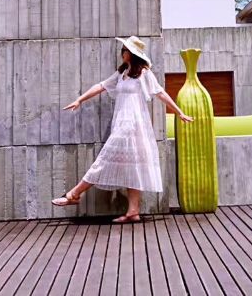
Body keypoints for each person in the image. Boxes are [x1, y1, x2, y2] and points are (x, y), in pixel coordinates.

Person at [51, 36, 193, 223]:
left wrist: (179, 112)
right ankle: (133, 212)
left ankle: (74, 194)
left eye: (125, 50)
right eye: (123, 49)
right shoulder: (122, 73)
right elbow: (101, 86)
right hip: (122, 125)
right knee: (133, 167)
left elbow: (160, 93)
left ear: (132, 54)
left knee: (104, 160)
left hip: (133, 126)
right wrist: (80, 99)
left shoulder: (144, 73)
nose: (122, 53)